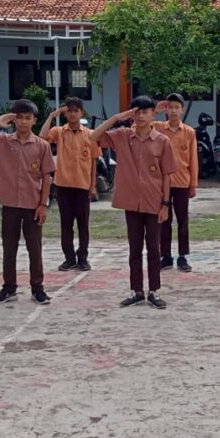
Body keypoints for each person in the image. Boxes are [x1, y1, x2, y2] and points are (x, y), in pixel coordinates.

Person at [90, 96, 176, 309]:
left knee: (154, 250)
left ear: (153, 114)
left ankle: (154, 291)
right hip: (131, 202)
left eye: (145, 112)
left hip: (154, 202)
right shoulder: (123, 136)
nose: (140, 116)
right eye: (136, 112)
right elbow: (93, 137)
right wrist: (117, 118)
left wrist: (165, 204)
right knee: (134, 249)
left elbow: (167, 175)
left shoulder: (162, 141)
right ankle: (136, 290)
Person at [0, 100, 56, 305]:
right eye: (19, 117)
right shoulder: (2, 141)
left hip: (32, 205)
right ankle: (9, 287)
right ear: (13, 119)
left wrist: (43, 204)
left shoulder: (42, 145)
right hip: (10, 204)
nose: (23, 122)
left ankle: (38, 288)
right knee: (9, 248)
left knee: (34, 248)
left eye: (28, 118)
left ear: (34, 120)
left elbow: (47, 176)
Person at [41, 97, 96, 272]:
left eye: (76, 110)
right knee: (66, 224)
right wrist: (51, 115)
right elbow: (42, 138)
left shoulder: (89, 134)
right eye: (69, 110)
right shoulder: (59, 131)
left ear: (82, 112)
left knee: (83, 225)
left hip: (82, 185)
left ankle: (83, 257)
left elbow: (94, 161)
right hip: (63, 184)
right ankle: (69, 258)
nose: (73, 114)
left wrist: (92, 185)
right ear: (65, 113)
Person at [156, 93, 199, 273]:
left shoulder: (189, 132)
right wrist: (154, 112)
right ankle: (165, 256)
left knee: (182, 220)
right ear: (165, 110)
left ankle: (183, 256)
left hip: (182, 181)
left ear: (182, 110)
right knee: (164, 220)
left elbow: (193, 159)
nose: (173, 111)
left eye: (176, 107)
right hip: (162, 182)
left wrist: (193, 184)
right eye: (170, 107)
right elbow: (136, 126)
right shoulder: (157, 128)